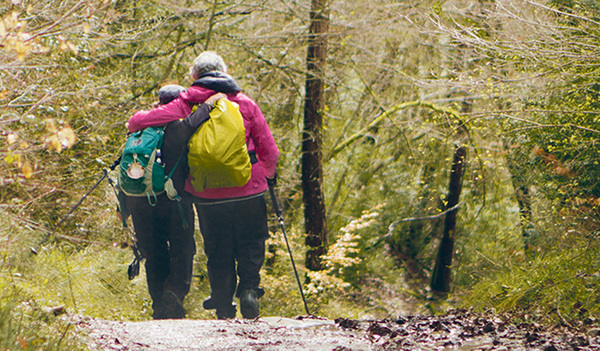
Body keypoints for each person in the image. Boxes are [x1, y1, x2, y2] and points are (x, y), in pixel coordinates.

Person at [127, 51, 279, 320]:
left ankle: (222, 302)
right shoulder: (245, 103)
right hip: (249, 188)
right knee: (251, 240)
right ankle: (249, 290)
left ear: (194, 76)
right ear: (225, 71)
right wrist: (267, 175)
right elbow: (269, 149)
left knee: (216, 245)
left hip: (206, 192)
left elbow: (136, 122)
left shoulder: (187, 104)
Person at [124, 84, 225, 319]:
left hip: (139, 202)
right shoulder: (177, 127)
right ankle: (174, 293)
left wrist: (125, 207)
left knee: (154, 251)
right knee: (183, 248)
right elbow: (196, 120)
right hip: (174, 201)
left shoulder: (139, 130)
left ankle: (159, 302)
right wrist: (211, 102)